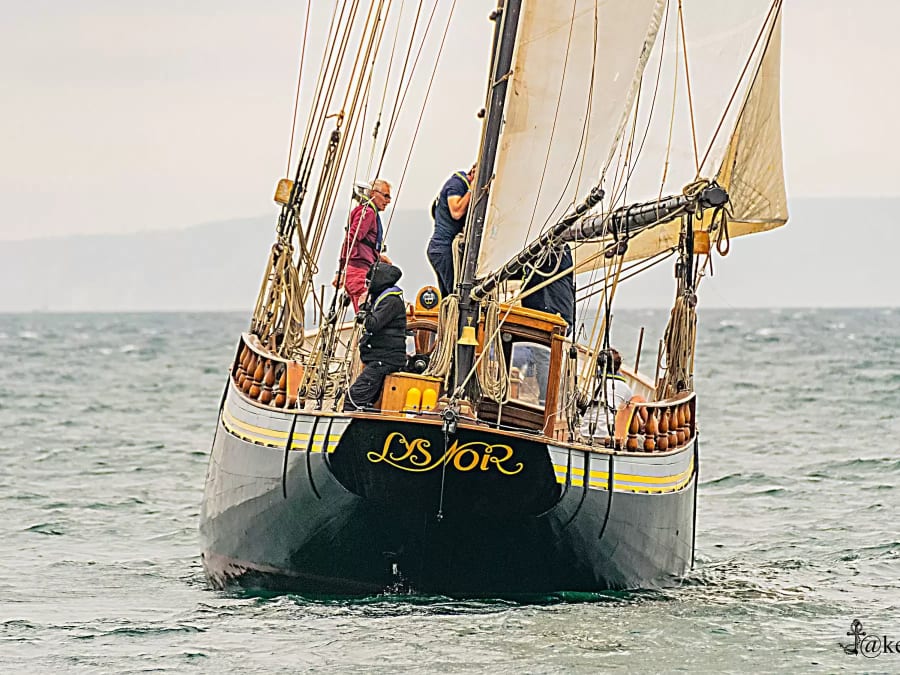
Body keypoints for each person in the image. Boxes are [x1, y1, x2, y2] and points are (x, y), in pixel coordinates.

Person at [517, 243, 575, 404]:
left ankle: (546, 404)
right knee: (539, 354)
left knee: (544, 355)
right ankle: (545, 400)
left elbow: (543, 270)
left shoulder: (553, 250)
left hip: (550, 313)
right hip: (551, 311)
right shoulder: (556, 250)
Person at [344, 263, 408, 411]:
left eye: (368, 283)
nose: (366, 287)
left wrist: (362, 306)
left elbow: (372, 324)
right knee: (365, 401)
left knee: (353, 399)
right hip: (378, 359)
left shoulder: (391, 301)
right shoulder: (382, 298)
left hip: (384, 361)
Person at [335, 179, 393, 312]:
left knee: (367, 315)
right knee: (367, 317)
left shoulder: (366, 211)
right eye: (386, 196)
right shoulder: (367, 213)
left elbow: (361, 243)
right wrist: (341, 271)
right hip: (358, 273)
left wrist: (379, 257)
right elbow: (351, 240)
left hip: (358, 272)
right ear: (373, 193)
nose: (388, 201)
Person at [427, 165, 476, 298]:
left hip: (441, 249)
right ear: (473, 172)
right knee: (457, 297)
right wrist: (472, 189)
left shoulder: (460, 186)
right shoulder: (456, 184)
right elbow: (456, 212)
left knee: (449, 297)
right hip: (443, 248)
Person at [579, 348, 635, 442]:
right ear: (618, 366)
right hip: (607, 437)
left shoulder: (591, 384)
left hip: (584, 434)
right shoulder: (624, 388)